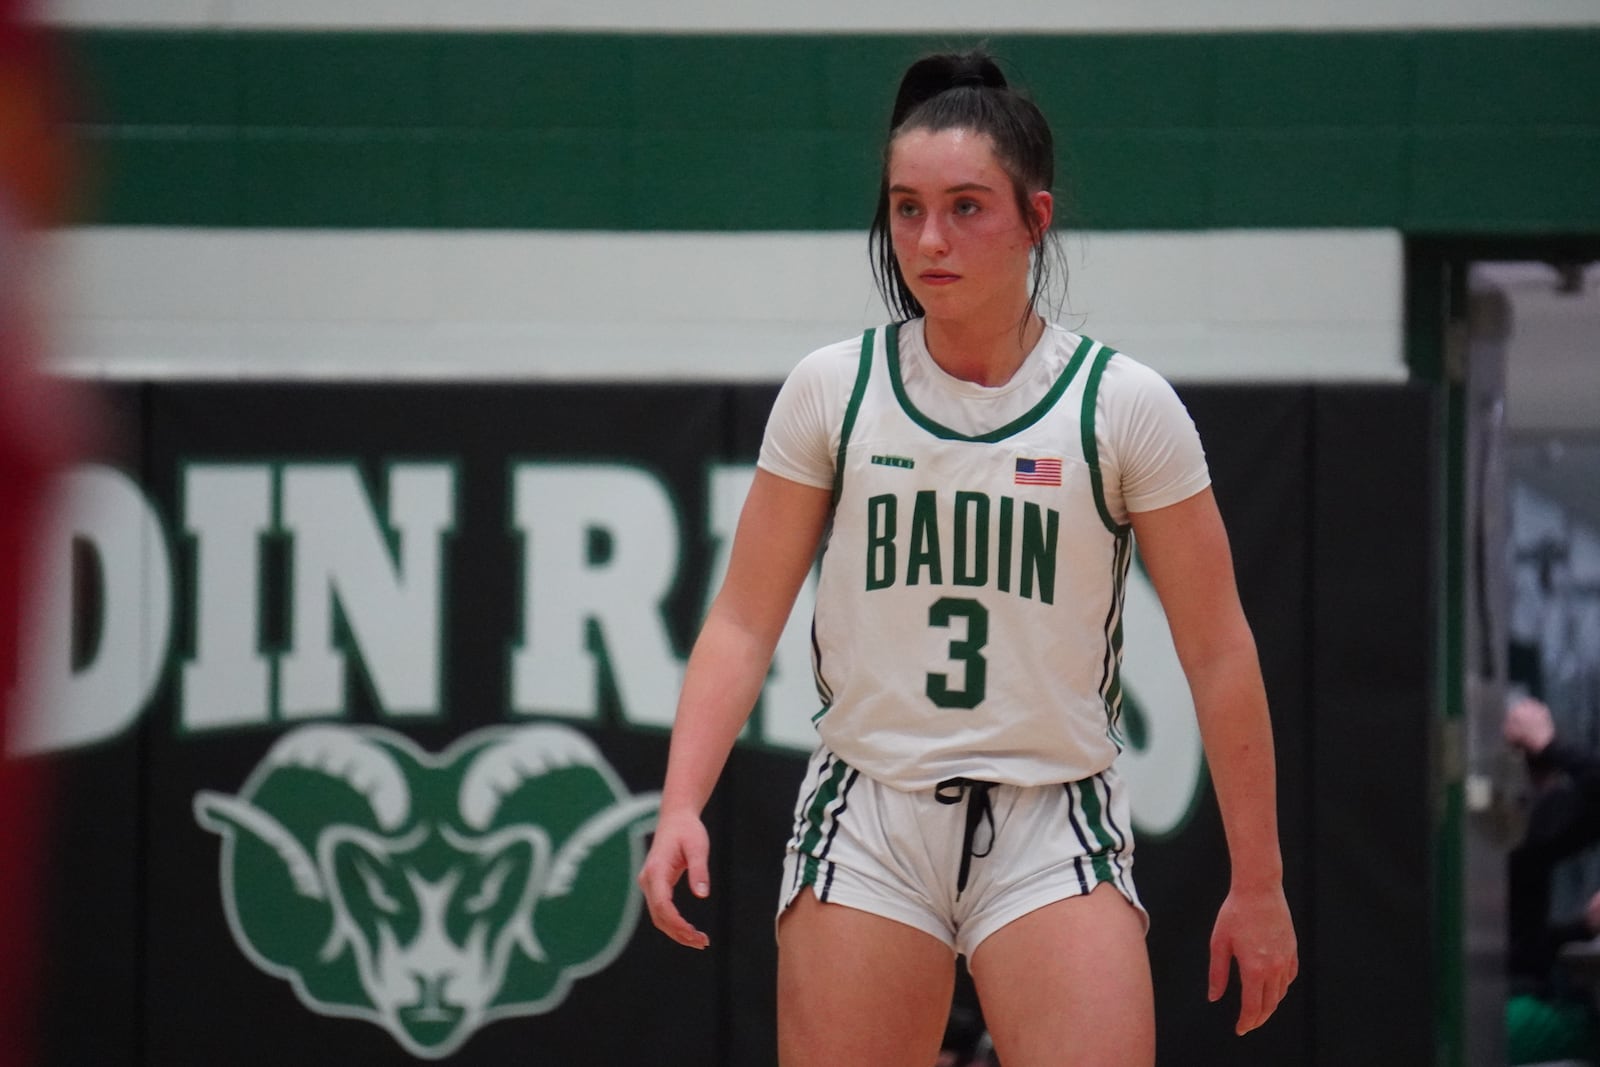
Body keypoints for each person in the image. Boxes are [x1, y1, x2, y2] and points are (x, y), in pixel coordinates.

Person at [638, 49, 1297, 1066]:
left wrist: (1258, 881)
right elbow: (740, 619)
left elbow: (1218, 649)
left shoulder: (1121, 405)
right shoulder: (834, 389)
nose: (929, 239)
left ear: (1035, 218)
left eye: (964, 207)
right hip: (869, 812)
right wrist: (681, 798)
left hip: (1051, 817)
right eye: (906, 208)